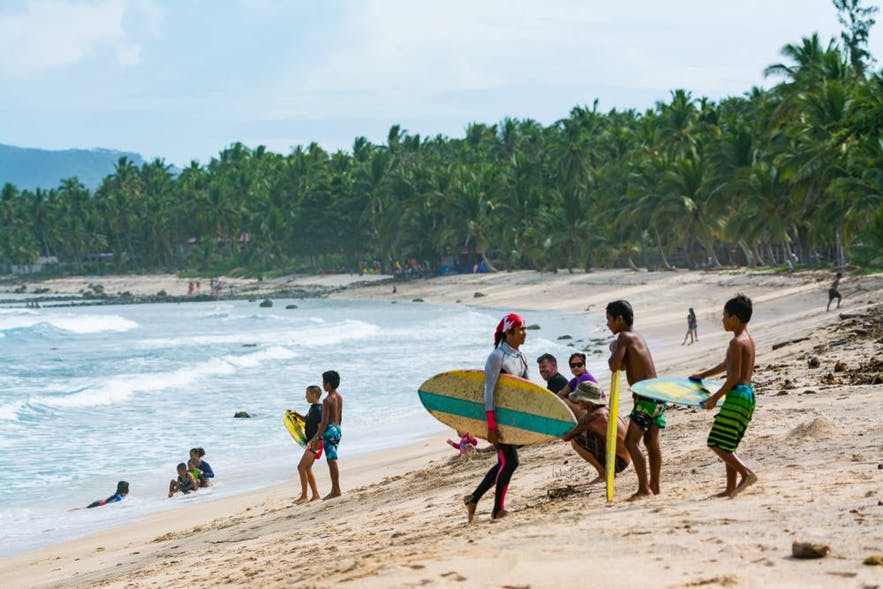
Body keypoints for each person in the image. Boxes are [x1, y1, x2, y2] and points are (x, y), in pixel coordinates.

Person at [690, 294, 758, 498]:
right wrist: (703, 375)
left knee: (716, 443)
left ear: (735, 318)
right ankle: (730, 489)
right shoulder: (747, 340)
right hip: (747, 395)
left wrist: (713, 398)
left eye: (724, 316)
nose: (722, 319)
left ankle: (746, 474)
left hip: (737, 395)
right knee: (729, 444)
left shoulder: (736, 342)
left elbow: (734, 376)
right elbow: (727, 365)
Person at [464, 312, 529, 522]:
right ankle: (497, 509)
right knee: (510, 461)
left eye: (524, 329)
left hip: (512, 420)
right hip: (497, 419)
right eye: (520, 329)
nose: (524, 333)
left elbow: (528, 391)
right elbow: (488, 392)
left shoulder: (521, 357)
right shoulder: (496, 357)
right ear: (509, 333)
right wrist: (491, 425)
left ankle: (473, 498)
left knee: (506, 462)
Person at [606, 299, 662, 500]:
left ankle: (644, 488)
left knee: (630, 442)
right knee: (651, 441)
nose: (608, 325)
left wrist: (613, 349)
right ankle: (654, 485)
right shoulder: (637, 336)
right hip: (657, 394)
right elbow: (624, 365)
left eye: (609, 320)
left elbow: (614, 365)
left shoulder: (623, 337)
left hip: (645, 397)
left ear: (620, 319)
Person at [561, 381, 630, 484]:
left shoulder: (593, 417)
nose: (576, 402)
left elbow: (566, 437)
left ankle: (604, 474)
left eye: (579, 399)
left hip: (618, 462)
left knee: (576, 441)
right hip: (626, 458)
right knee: (585, 434)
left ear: (587, 401)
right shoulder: (607, 410)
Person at [310, 370, 343, 500]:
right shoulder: (339, 397)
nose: (323, 385)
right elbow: (340, 416)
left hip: (329, 430)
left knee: (331, 460)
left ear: (328, 384)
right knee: (332, 459)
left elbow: (324, 422)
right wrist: (338, 429)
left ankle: (336, 490)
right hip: (337, 428)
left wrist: (318, 436)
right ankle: (335, 489)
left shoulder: (327, 399)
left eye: (324, 382)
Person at [295, 385, 324, 504]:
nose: (305, 396)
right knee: (307, 468)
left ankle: (304, 496)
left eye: (307, 394)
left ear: (313, 395)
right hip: (313, 442)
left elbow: (320, 427)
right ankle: (315, 495)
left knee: (301, 467)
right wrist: (296, 415)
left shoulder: (318, 410)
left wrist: (312, 440)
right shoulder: (313, 408)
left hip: (316, 443)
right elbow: (306, 420)